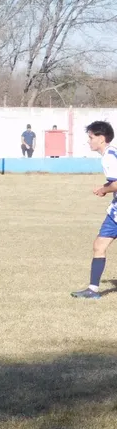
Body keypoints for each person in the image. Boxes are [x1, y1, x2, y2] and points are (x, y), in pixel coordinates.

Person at [71, 120, 117, 300]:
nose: (88, 141)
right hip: (114, 212)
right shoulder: (111, 154)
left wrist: (104, 189)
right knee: (99, 245)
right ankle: (93, 290)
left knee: (99, 246)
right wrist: (105, 187)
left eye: (91, 138)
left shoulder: (109, 157)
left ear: (101, 138)